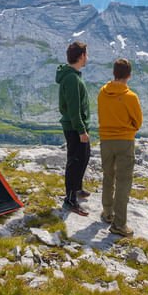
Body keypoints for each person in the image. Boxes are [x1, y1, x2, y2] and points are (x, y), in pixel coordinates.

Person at [97, 57, 143, 237]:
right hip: (124, 141)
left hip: (105, 140)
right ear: (129, 75)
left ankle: (107, 212)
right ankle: (119, 224)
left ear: (114, 73)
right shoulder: (130, 97)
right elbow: (138, 122)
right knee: (123, 181)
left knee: (108, 175)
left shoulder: (102, 92)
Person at [56, 40, 91, 216]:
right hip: (74, 127)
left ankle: (77, 188)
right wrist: (81, 130)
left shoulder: (74, 75)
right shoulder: (71, 78)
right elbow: (73, 108)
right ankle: (70, 199)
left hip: (77, 126)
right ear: (81, 56)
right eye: (86, 54)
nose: (87, 58)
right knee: (75, 161)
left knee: (84, 156)